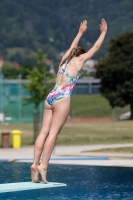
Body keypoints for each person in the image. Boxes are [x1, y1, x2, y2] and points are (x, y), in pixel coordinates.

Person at [30, 19, 107, 183]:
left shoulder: (63, 61)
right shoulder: (78, 61)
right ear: (80, 55)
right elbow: (96, 48)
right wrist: (103, 33)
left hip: (50, 96)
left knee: (43, 132)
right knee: (53, 134)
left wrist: (79, 33)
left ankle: (35, 163)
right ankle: (43, 166)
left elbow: (71, 48)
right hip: (62, 98)